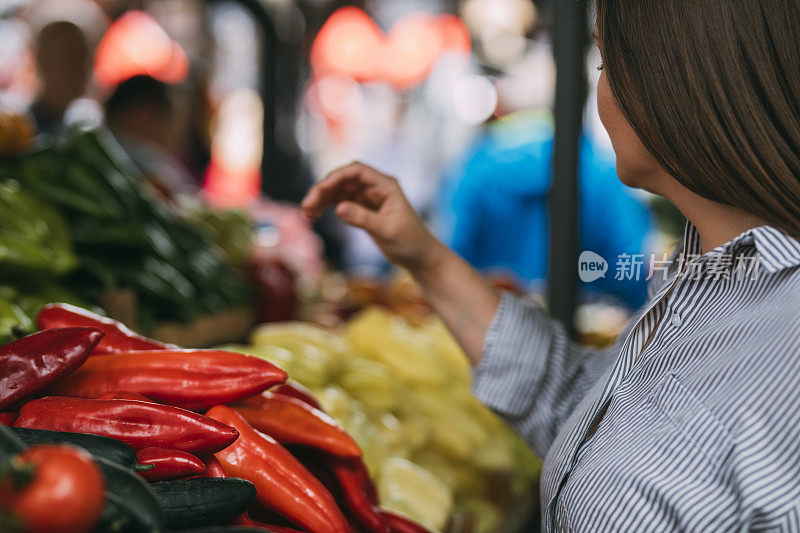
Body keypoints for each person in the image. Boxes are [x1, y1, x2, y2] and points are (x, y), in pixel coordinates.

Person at [302, 1, 800, 530]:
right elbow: (593, 409)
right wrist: (424, 257)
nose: (601, 93)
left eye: (606, 65)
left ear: (673, 80)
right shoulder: (709, 277)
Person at [439, 109, 651, 309]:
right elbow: (631, 270)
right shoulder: (599, 168)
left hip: (488, 327)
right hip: (580, 335)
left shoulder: (478, 162)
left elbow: (450, 261)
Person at [105, 75, 199, 198]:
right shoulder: (151, 166)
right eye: (174, 123)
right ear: (144, 115)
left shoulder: (93, 148)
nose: (178, 136)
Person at [29, 20, 90, 137]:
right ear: (42, 61)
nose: (81, 68)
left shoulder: (89, 121)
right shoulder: (22, 135)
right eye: (70, 57)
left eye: (84, 55)